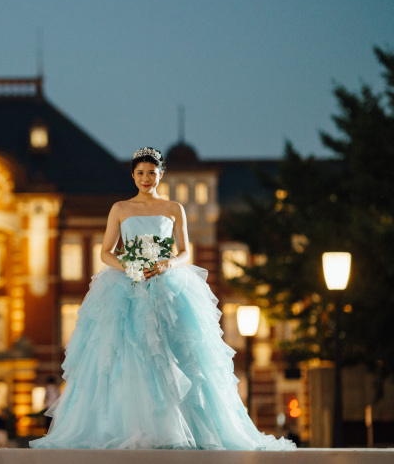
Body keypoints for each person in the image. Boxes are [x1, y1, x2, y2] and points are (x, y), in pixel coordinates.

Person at [30, 147, 295, 450]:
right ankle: (130, 428)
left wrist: (169, 263)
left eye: (151, 173)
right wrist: (128, 266)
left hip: (166, 286)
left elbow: (185, 251)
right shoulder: (120, 208)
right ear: (133, 176)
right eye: (140, 173)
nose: (146, 178)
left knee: (176, 356)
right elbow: (105, 252)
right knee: (127, 355)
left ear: (161, 175)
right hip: (128, 288)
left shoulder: (173, 208)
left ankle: (179, 429)